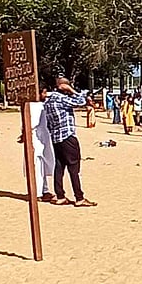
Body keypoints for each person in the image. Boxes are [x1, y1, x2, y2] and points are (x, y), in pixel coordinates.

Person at [43, 78, 97, 207]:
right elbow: (81, 101)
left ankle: (60, 195)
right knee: (74, 168)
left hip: (56, 138)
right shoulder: (60, 98)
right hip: (67, 136)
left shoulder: (48, 101)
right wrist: (72, 90)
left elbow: (49, 123)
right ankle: (79, 197)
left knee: (59, 166)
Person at [24, 89, 56, 202]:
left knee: (43, 164)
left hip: (44, 138)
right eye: (43, 92)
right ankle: (36, 192)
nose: (45, 95)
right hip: (35, 138)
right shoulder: (33, 105)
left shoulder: (42, 104)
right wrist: (24, 134)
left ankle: (45, 190)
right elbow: (31, 123)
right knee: (36, 164)